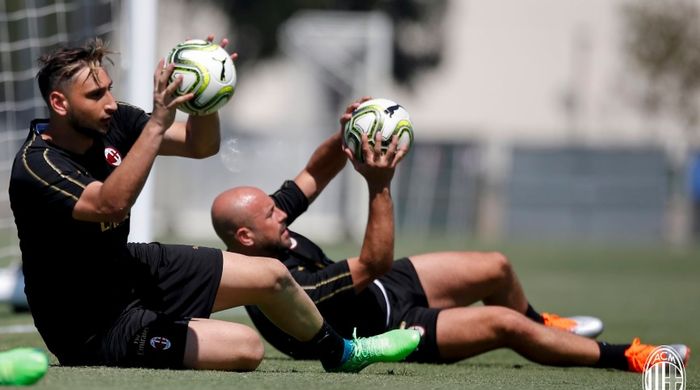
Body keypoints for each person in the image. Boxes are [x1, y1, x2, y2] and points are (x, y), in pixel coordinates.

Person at [8, 38, 421, 374]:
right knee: (246, 348)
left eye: (110, 89)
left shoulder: (112, 122)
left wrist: (206, 91)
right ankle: (157, 337)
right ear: (60, 104)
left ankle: (343, 354)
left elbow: (201, 145)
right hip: (91, 326)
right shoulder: (37, 165)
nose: (111, 103)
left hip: (128, 268)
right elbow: (111, 205)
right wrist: (157, 122)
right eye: (96, 95)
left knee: (274, 276)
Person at [211, 97, 691, 374]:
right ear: (246, 239)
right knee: (505, 326)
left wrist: (346, 136)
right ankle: (633, 357)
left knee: (496, 267)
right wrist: (379, 185)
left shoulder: (263, 227)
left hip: (383, 288)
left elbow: (312, 175)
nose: (284, 210)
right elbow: (374, 261)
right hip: (385, 329)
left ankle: (542, 320)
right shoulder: (275, 283)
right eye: (274, 212)